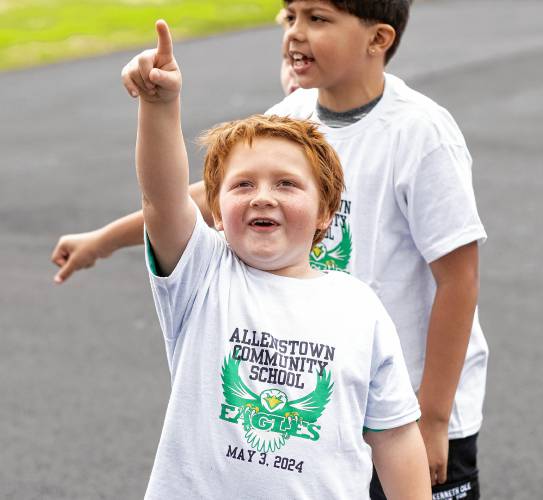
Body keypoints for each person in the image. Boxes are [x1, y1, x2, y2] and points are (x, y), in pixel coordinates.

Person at [52, 2, 488, 498]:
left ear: (378, 38)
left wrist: (433, 417)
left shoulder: (419, 136)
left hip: (408, 394)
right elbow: (179, 197)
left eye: (317, 19)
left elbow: (459, 280)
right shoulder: (284, 127)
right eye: (289, 17)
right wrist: (105, 237)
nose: (295, 33)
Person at [129, 19, 430, 499]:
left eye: (286, 184)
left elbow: (394, 435)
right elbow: (162, 201)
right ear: (218, 214)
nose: (262, 197)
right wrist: (160, 105)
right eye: (242, 184)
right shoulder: (204, 274)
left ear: (324, 212)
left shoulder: (360, 307)